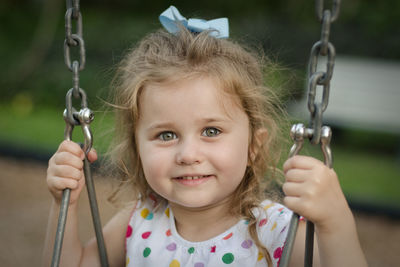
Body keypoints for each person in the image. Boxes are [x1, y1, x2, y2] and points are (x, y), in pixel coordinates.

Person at [43, 6, 367, 267]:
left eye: (211, 131)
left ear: (254, 146)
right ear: (136, 147)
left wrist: (336, 222)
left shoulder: (277, 232)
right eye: (166, 134)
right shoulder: (140, 221)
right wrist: (64, 205)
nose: (188, 154)